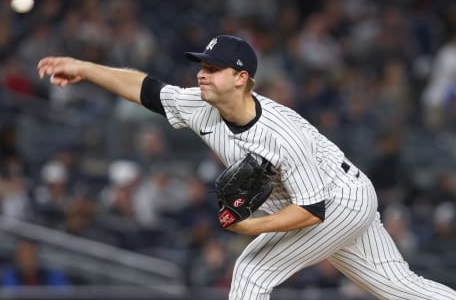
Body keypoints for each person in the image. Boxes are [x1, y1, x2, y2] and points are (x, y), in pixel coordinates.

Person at [38, 34, 456, 300]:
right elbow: (145, 89)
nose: (201, 75)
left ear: (241, 78)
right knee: (400, 288)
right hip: (329, 196)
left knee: (252, 271)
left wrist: (248, 228)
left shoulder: (281, 133)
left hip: (335, 200)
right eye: (201, 66)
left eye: (212, 69)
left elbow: (313, 210)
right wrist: (84, 68)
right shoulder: (199, 105)